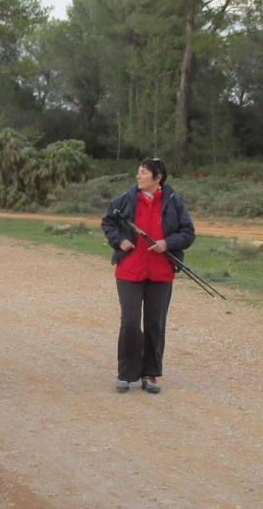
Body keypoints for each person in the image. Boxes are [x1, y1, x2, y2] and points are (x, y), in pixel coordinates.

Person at [100, 157, 195, 394]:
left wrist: (167, 243)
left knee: (155, 323)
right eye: (138, 172)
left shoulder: (174, 201)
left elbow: (188, 233)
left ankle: (150, 374)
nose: (138, 176)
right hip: (129, 270)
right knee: (130, 321)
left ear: (158, 177)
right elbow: (108, 222)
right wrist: (119, 240)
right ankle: (126, 373)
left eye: (143, 172)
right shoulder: (125, 199)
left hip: (161, 272)